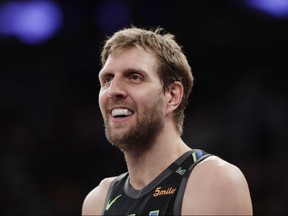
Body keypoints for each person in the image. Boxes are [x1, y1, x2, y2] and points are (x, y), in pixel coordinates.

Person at [82, 26, 253, 215]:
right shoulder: (97, 202)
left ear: (172, 96)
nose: (113, 90)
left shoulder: (213, 182)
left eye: (134, 77)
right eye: (107, 79)